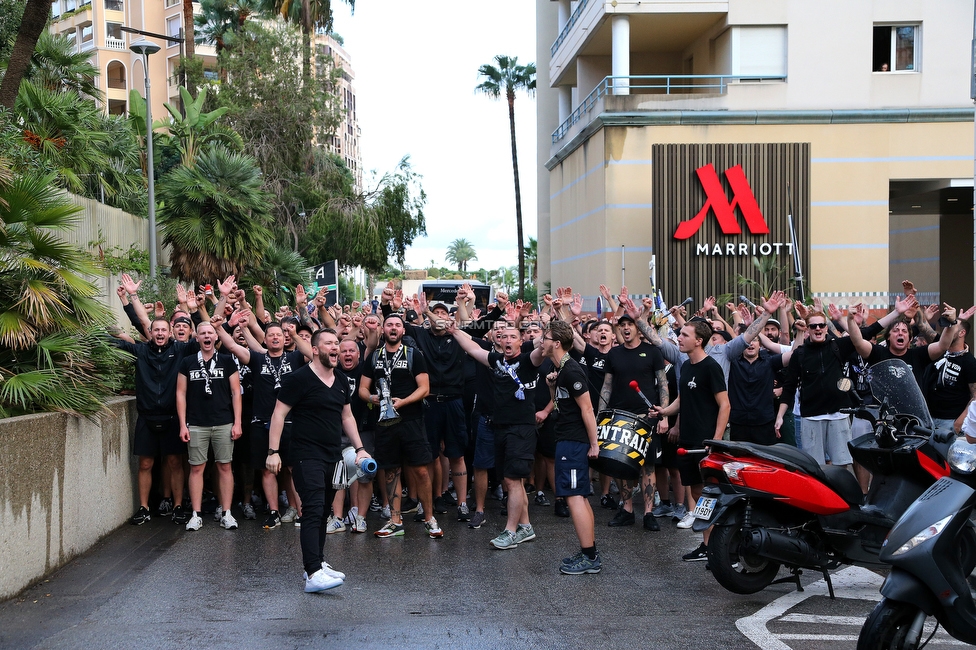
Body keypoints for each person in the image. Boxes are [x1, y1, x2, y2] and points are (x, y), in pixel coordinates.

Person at [267, 328, 372, 593]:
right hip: (305, 455)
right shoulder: (298, 379)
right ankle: (313, 573)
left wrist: (360, 449)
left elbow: (347, 417)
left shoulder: (340, 381)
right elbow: (279, 414)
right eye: (329, 343)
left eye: (337, 343)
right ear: (315, 349)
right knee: (312, 509)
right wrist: (273, 452)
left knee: (324, 510)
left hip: (332, 456)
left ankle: (317, 563)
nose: (335, 347)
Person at [109, 274, 199, 527]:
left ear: (171, 332)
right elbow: (116, 339)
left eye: (163, 330)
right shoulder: (140, 350)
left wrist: (188, 310)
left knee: (174, 462)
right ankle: (144, 507)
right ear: (150, 333)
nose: (159, 333)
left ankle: (179, 506)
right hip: (147, 417)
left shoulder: (181, 350)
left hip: (172, 417)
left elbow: (200, 334)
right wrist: (130, 297)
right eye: (155, 330)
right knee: (146, 463)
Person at [451, 320, 545, 550]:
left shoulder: (528, 360)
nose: (507, 340)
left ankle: (510, 532)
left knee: (512, 480)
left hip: (521, 429)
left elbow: (544, 346)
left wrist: (558, 316)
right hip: (500, 427)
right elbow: (472, 348)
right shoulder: (496, 361)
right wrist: (454, 330)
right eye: (503, 337)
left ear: (521, 342)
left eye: (513, 336)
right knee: (512, 480)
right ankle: (526, 527)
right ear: (498, 341)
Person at [213, 313, 308, 530]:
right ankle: (274, 512)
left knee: (294, 469)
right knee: (267, 469)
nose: (275, 338)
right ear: (264, 340)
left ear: (285, 339)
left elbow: (312, 352)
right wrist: (219, 329)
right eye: (271, 335)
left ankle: (302, 513)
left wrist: (294, 333)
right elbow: (234, 347)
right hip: (261, 422)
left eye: (279, 335)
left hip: (291, 422)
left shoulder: (294, 358)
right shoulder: (257, 358)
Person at [359, 313, 443, 539]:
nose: (393, 328)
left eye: (397, 325)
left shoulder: (414, 354)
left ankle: (429, 518)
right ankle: (395, 521)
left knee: (421, 471)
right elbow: (362, 389)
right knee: (391, 471)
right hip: (385, 423)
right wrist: (372, 399)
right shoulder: (374, 357)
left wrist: (403, 402)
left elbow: (424, 387)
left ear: (403, 331)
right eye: (389, 325)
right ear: (383, 330)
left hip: (412, 420)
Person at [652, 319, 729, 562]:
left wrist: (715, 441)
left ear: (698, 340)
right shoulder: (685, 367)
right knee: (697, 494)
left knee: (710, 495)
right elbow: (682, 401)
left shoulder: (711, 367)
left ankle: (723, 548)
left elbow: (725, 405)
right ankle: (707, 547)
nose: (679, 338)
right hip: (686, 442)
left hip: (704, 443)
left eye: (684, 335)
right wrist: (664, 412)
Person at [597, 312, 668, 531]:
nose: (626, 328)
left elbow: (663, 384)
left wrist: (663, 414)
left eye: (630, 324)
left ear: (638, 328)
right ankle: (626, 510)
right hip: (619, 417)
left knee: (648, 466)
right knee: (622, 464)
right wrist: (600, 416)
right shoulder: (614, 354)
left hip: (646, 418)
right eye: (622, 325)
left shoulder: (652, 352)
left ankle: (648, 513)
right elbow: (607, 386)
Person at [543, 320, 602, 574]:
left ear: (556, 343)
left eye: (545, 337)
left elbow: (588, 409)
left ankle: (589, 558)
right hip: (567, 439)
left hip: (574, 442)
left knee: (574, 497)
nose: (541, 341)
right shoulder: (561, 371)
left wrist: (594, 443)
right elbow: (562, 405)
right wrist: (551, 387)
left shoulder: (572, 370)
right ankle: (589, 550)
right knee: (580, 496)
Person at [177, 321, 242, 531]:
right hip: (196, 423)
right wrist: (182, 424)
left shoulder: (227, 361)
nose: (206, 336)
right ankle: (196, 514)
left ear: (216, 337)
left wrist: (237, 422)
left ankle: (227, 512)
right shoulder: (187, 362)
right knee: (197, 468)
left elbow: (235, 393)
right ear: (197, 338)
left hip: (223, 422)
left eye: (210, 333)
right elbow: (181, 393)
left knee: (225, 466)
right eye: (202, 333)